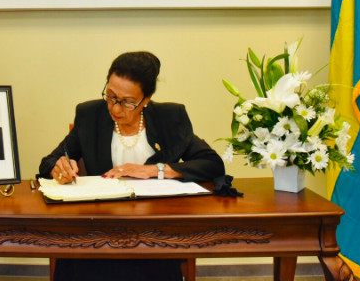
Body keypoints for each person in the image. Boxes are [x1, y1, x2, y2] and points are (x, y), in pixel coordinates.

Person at [39, 51, 225, 281]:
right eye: (110, 96)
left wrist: (153, 170)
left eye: (127, 102)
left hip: (154, 234)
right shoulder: (90, 115)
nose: (115, 109)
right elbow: (48, 162)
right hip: (98, 232)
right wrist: (59, 167)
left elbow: (212, 164)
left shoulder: (170, 119)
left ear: (146, 100)